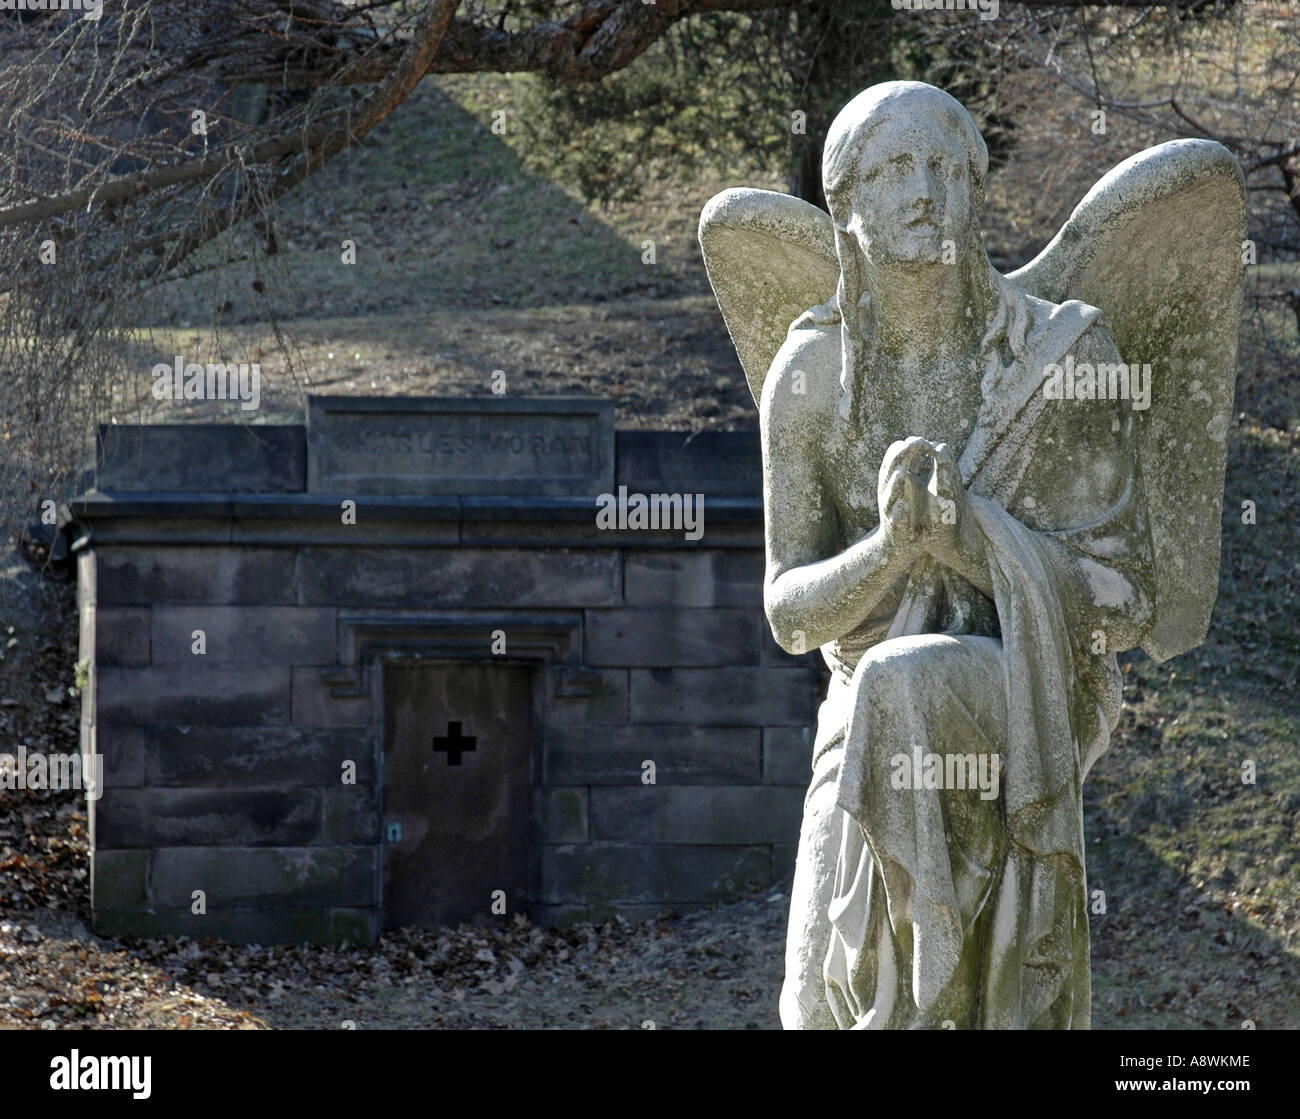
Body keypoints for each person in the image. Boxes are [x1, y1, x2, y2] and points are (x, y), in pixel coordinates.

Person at [759, 82, 1157, 1029]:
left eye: (945, 166)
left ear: (975, 193)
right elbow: (789, 611)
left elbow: (1129, 596)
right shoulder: (809, 380)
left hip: (1026, 690)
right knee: (813, 1001)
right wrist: (895, 553)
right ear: (846, 201)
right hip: (860, 710)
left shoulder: (1062, 355)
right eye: (896, 167)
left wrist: (977, 545)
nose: (925, 190)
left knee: (908, 678)